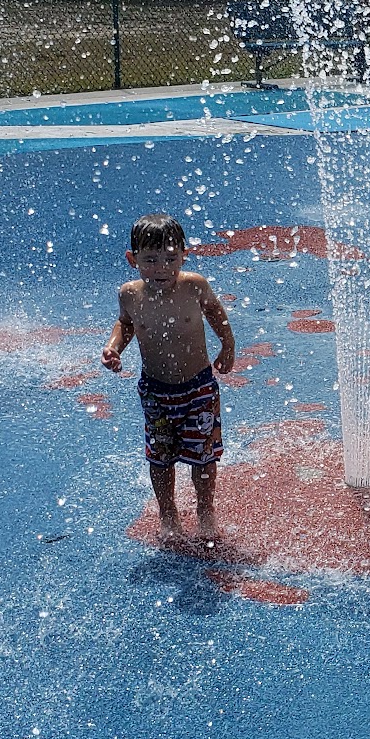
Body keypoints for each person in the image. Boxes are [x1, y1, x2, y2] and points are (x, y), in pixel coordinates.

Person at [103, 213, 236, 543]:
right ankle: (168, 513)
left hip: (198, 387)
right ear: (132, 259)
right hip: (156, 392)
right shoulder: (130, 294)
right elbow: (126, 324)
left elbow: (215, 312)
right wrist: (114, 347)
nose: (161, 268)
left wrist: (228, 345)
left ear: (184, 256)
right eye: (150, 260)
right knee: (160, 457)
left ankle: (205, 510)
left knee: (203, 455)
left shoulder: (194, 286)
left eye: (171, 259)